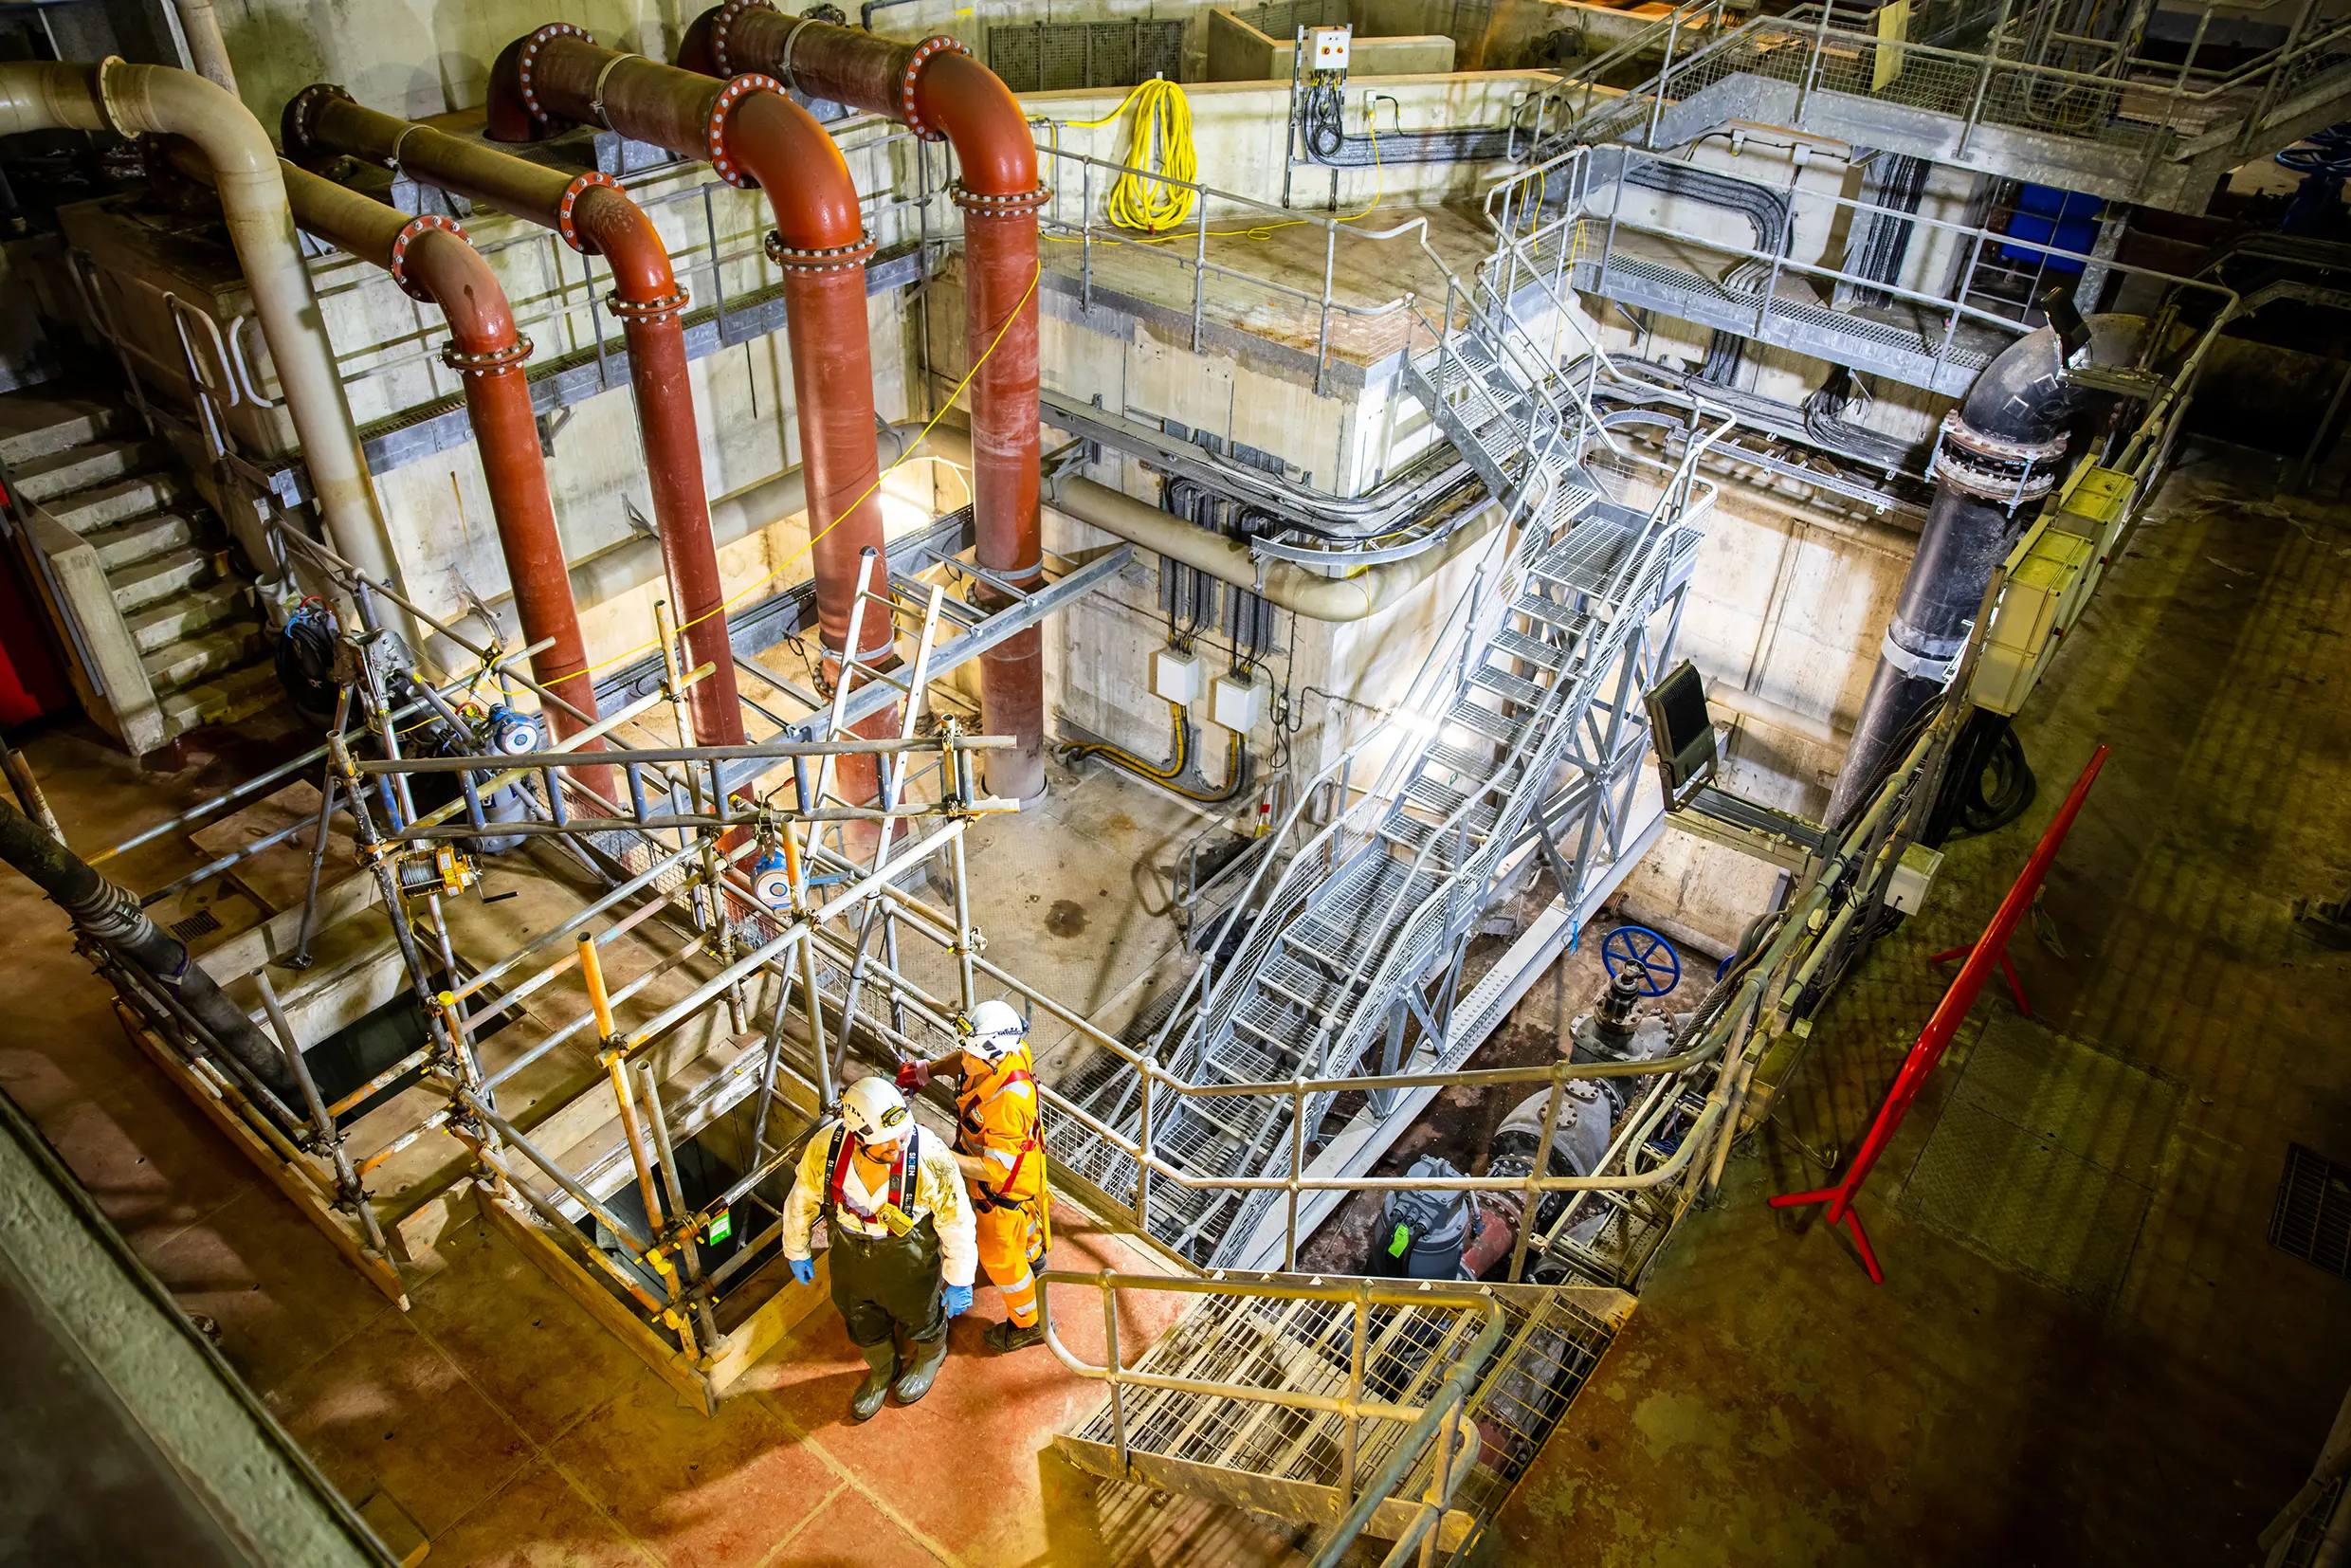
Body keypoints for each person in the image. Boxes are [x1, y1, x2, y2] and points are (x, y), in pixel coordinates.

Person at [780, 1075, 977, 1421]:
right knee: (857, 1313)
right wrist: (796, 1249)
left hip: (908, 1254)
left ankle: (931, 1353)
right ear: (858, 1138)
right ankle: (882, 1369)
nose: (898, 1147)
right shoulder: (826, 1148)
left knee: (920, 1311)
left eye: (902, 1136)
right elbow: (803, 1198)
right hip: (848, 1247)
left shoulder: (929, 1155)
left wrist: (960, 1277)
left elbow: (956, 1217)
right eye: (887, 1144)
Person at [899, 998, 1050, 1352]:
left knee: (1000, 1260)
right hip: (1023, 1171)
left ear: (995, 1056)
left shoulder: (1009, 1103)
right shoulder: (1009, 1052)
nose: (964, 1061)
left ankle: (1029, 1324)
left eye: (971, 1056)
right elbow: (965, 1060)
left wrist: (933, 1150)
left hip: (1000, 1186)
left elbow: (995, 1170)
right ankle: (1035, 1255)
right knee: (1025, 1221)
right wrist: (929, 1069)